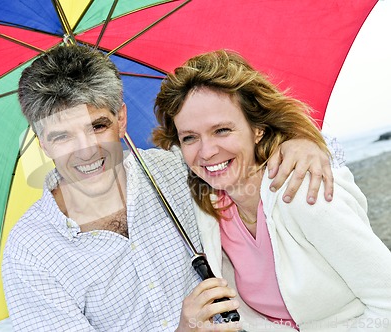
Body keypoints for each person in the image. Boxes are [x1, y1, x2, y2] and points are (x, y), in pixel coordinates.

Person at [2, 45, 338, 332]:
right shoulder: (30, 252)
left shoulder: (179, 170)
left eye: (97, 126)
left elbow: (244, 145)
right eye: (62, 136)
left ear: (121, 119)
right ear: (42, 141)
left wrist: (300, 142)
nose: (87, 150)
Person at [152, 49, 391, 331]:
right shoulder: (210, 210)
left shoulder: (302, 192)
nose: (206, 151)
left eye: (222, 130)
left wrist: (307, 141)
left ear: (258, 128)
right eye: (190, 137)